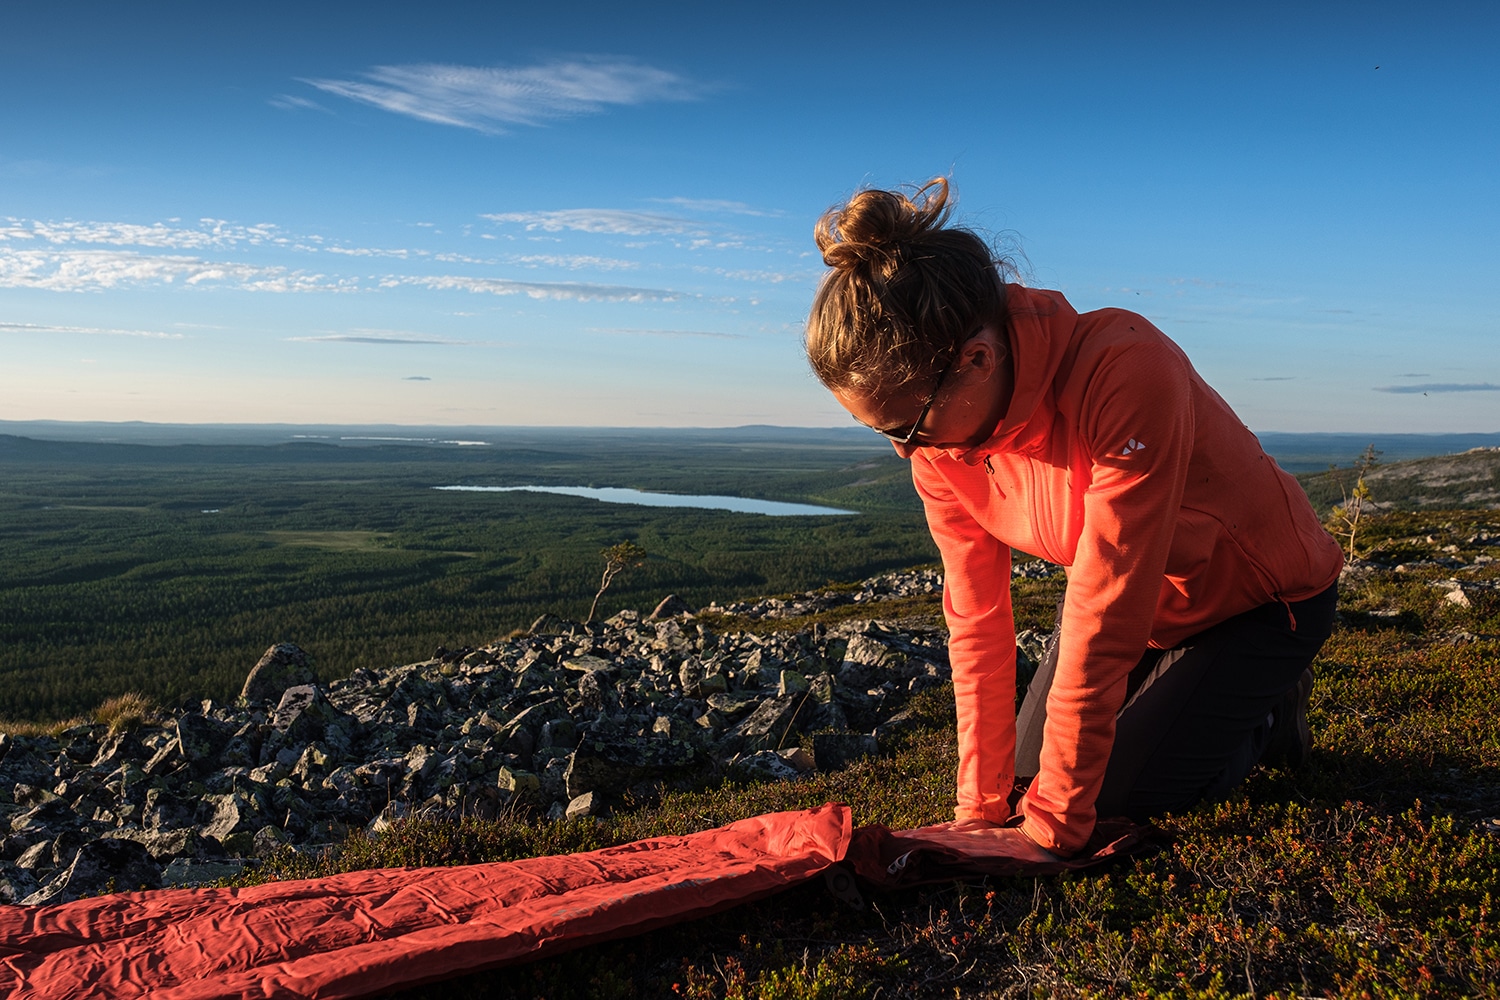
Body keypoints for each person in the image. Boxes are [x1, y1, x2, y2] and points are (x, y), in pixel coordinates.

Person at [805, 178, 1343, 860]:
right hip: (1137, 609)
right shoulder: (944, 445)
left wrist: (1054, 831)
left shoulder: (1123, 365)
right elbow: (976, 620)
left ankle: (1266, 715)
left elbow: (1107, 598)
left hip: (1256, 605)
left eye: (906, 425)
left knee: (1108, 801)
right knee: (1026, 786)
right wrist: (979, 808)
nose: (904, 450)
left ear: (978, 359)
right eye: (879, 431)